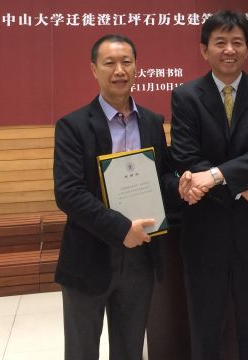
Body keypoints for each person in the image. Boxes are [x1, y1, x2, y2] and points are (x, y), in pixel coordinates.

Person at [53, 34, 176, 360]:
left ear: (136, 67)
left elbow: (162, 175)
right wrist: (121, 229)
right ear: (94, 69)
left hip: (140, 258)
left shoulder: (152, 122)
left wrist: (181, 183)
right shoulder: (72, 126)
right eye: (109, 63)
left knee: (130, 349)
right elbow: (68, 193)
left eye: (126, 62)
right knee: (81, 351)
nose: (119, 70)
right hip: (88, 256)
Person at [169, 10, 248, 360]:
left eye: (237, 42)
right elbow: (187, 158)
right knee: (206, 329)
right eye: (220, 42)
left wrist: (217, 175)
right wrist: (243, 188)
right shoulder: (186, 96)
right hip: (205, 233)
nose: (229, 50)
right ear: (204, 49)